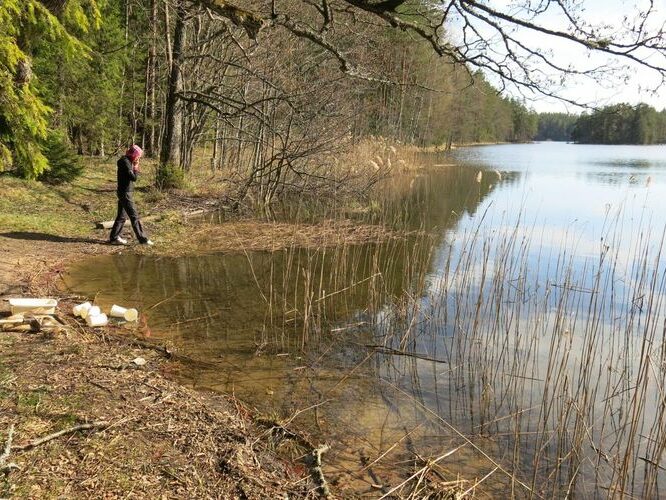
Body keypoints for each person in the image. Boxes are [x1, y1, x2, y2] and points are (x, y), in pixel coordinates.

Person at [109, 145, 153, 246]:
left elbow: (132, 177)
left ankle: (114, 238)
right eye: (138, 156)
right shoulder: (125, 161)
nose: (138, 158)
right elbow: (133, 178)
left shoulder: (127, 161)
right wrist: (136, 167)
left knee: (121, 216)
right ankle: (143, 239)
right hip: (125, 193)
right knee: (134, 216)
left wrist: (134, 166)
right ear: (134, 154)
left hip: (125, 192)